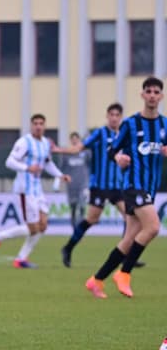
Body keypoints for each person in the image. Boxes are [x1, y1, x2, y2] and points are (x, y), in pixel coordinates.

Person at [85, 77, 167, 299]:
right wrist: (119, 157)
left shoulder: (164, 124)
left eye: (156, 92)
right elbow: (112, 149)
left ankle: (96, 280)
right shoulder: (131, 124)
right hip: (132, 185)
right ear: (142, 95)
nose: (152, 95)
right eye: (148, 91)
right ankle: (124, 273)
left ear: (161, 96)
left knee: (130, 237)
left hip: (149, 187)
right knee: (153, 227)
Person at [0, 114, 70, 268]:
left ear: (44, 126)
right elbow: (10, 162)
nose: (38, 126)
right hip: (24, 190)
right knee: (33, 228)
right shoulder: (24, 142)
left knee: (43, 226)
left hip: (37, 189)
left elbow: (47, 163)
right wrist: (27, 168)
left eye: (41, 124)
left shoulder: (46, 143)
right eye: (35, 123)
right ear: (31, 126)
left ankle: (21, 259)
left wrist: (60, 175)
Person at [52, 103, 128, 268]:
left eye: (117, 115)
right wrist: (58, 150)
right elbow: (78, 148)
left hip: (116, 186)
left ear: (121, 117)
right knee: (92, 219)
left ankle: (125, 253)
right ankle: (68, 248)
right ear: (107, 116)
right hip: (99, 186)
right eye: (111, 115)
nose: (114, 118)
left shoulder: (123, 134)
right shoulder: (99, 133)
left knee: (129, 217)